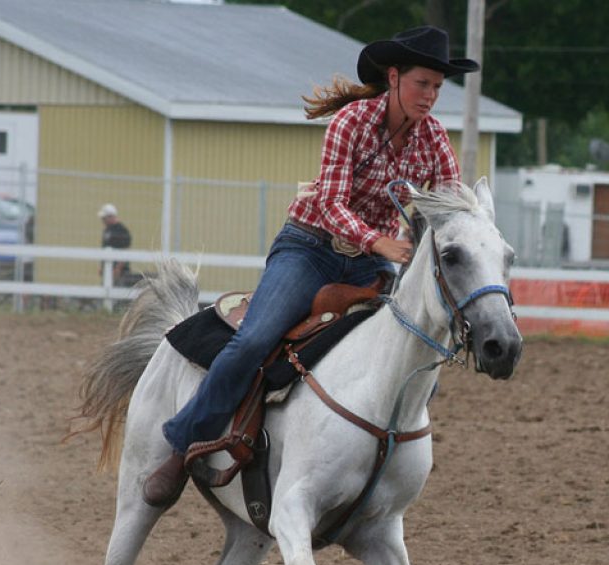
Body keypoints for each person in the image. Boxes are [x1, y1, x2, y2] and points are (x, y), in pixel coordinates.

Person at [143, 25, 479, 507]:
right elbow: (331, 204)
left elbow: (446, 204)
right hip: (312, 248)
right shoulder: (351, 123)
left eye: (437, 87)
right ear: (393, 77)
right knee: (255, 340)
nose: (430, 96)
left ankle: (368, 460)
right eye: (422, 83)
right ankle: (181, 448)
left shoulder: (434, 139)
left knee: (418, 352)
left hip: (370, 263)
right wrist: (379, 242)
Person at [98, 203, 134, 286]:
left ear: (111, 216)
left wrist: (118, 268)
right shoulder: (107, 230)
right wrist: (102, 267)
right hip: (108, 270)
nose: (103, 221)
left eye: (104, 218)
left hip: (120, 273)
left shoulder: (122, 231)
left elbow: (125, 251)